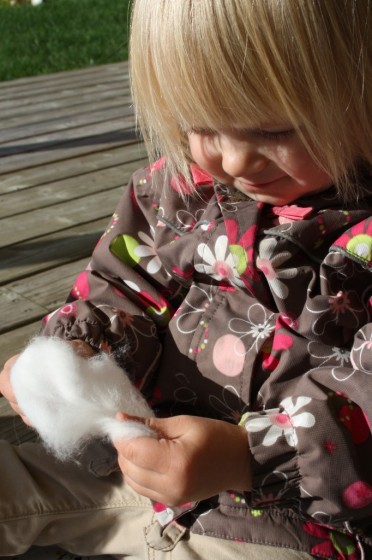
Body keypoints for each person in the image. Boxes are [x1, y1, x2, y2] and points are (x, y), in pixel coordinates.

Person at [1, 0, 372, 558]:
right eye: (200, 125)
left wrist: (249, 457)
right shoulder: (181, 189)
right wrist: (76, 351)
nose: (234, 162)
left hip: (297, 528)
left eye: (275, 130)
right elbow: (122, 283)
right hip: (139, 477)